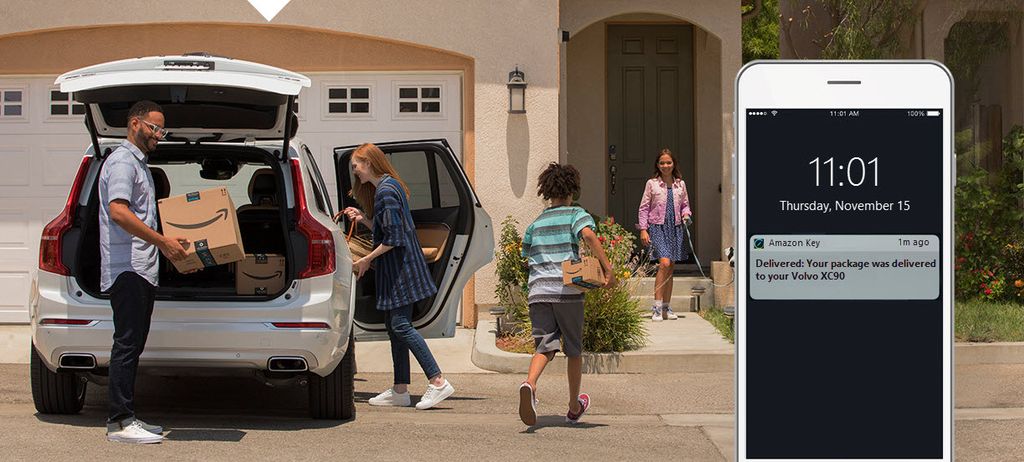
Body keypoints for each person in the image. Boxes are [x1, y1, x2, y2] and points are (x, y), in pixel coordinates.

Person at [100, 100, 190, 443]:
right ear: (135, 124)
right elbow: (119, 213)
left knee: (132, 343)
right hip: (129, 268)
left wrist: (166, 240)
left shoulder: (137, 163)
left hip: (140, 267)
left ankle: (127, 417)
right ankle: (120, 422)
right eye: (155, 128)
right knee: (126, 344)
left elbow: (140, 217)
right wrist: (162, 242)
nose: (159, 135)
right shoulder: (123, 163)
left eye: (162, 130)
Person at [338, 143, 454, 410]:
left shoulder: (386, 192)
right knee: (394, 327)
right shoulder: (389, 188)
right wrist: (365, 219)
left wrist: (366, 259)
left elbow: (394, 238)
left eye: (356, 166)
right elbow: (387, 228)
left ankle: (437, 381)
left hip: (401, 271)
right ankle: (400, 389)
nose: (355, 172)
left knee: (401, 326)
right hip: (397, 269)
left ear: (369, 163)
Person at [517, 163, 615, 426]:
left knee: (544, 347)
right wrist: (608, 270)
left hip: (538, 292)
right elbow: (589, 237)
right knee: (573, 349)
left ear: (547, 191)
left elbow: (526, 257)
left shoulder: (536, 223)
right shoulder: (575, 214)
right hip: (567, 291)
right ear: (572, 190)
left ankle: (530, 384)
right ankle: (573, 406)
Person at [637, 148, 692, 321]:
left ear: (673, 164)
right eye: (662, 163)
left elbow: (685, 204)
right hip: (657, 227)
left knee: (671, 268)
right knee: (664, 263)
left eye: (668, 162)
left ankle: (667, 308)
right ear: (658, 165)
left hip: (675, 227)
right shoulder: (652, 184)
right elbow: (644, 208)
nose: (666, 165)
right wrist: (643, 229)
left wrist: (686, 214)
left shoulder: (680, 184)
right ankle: (657, 307)